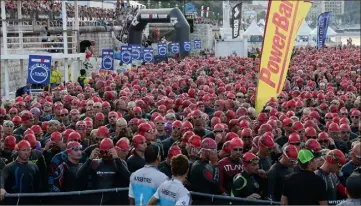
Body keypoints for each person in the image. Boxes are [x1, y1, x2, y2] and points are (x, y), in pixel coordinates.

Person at [77, 138, 130, 204]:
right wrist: (89, 159)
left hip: (114, 200)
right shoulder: (94, 163)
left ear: (112, 150)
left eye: (106, 152)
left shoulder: (120, 163)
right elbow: (78, 176)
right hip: (98, 200)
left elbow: (128, 178)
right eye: (102, 152)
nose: (104, 155)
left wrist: (117, 159)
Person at [189, 138, 219, 204]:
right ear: (205, 151)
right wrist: (215, 164)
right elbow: (215, 184)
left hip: (204, 199)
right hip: (201, 201)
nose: (215, 153)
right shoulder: (199, 166)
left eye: (215, 150)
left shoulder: (201, 162)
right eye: (212, 150)